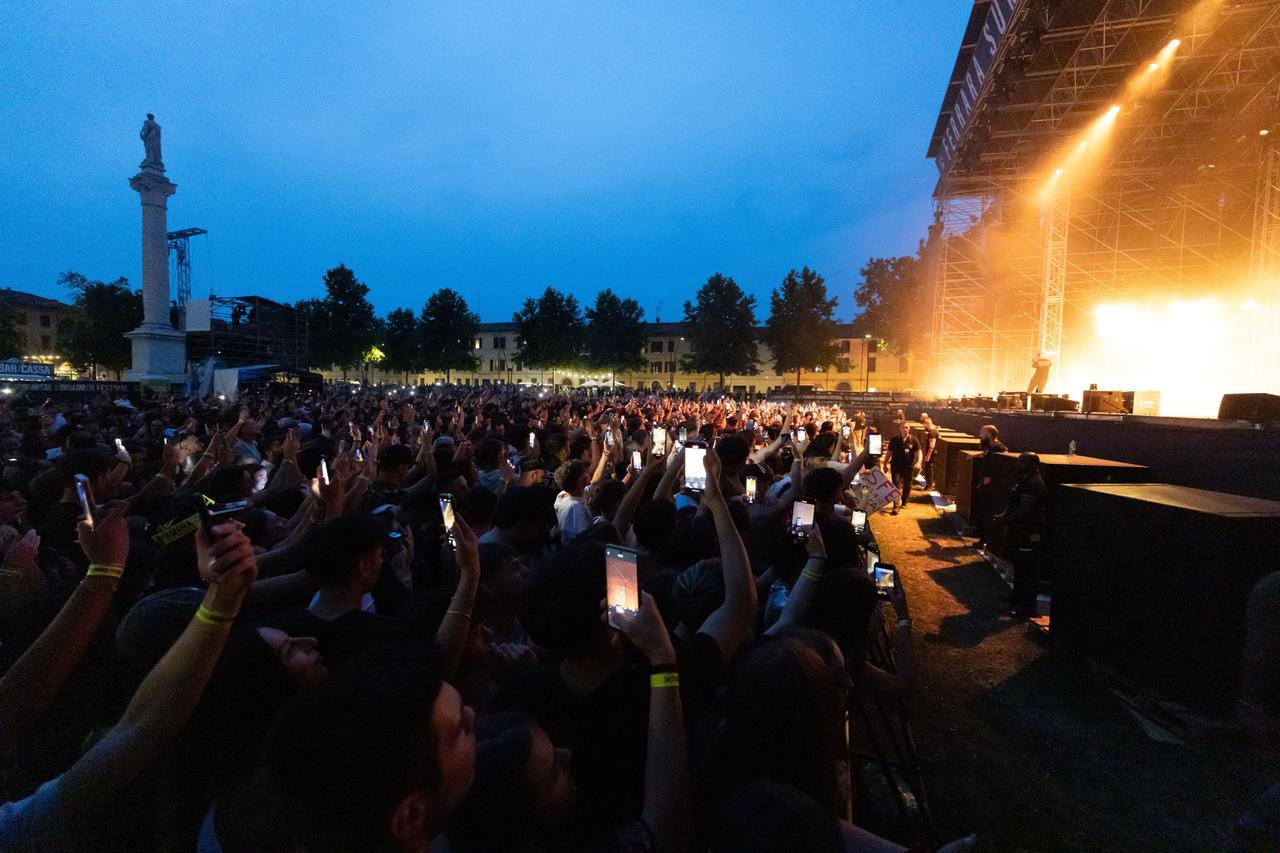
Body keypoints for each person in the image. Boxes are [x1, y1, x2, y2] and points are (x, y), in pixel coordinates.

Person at [993, 452, 1047, 619]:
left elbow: (1025, 509)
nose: (1017, 464)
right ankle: (1018, 596)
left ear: (1031, 464)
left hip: (1029, 531)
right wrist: (1004, 516)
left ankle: (1029, 607)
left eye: (1021, 461)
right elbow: (1014, 502)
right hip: (1019, 530)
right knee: (1019, 565)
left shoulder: (1033, 483)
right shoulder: (1024, 479)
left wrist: (1006, 520)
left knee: (1028, 569)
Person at [884, 421, 921, 515]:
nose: (905, 429)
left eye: (906, 427)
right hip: (896, 466)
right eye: (903, 427)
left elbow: (919, 452)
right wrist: (885, 464)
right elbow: (889, 453)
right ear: (899, 428)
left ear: (909, 429)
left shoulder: (914, 439)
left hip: (909, 466)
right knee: (896, 484)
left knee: (907, 485)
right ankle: (896, 506)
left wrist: (919, 462)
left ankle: (904, 501)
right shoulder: (894, 440)